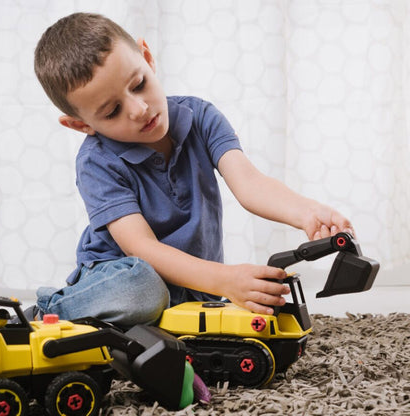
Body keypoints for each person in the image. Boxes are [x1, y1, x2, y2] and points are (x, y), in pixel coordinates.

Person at [32, 13, 354, 329]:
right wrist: (225, 280)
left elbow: (250, 183)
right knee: (144, 287)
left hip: (194, 282)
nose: (139, 109)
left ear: (147, 58)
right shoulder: (97, 162)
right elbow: (141, 248)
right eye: (113, 111)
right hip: (128, 277)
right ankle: (49, 310)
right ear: (82, 124)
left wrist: (308, 212)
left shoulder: (200, 116)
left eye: (139, 84)